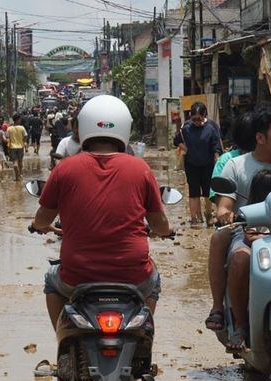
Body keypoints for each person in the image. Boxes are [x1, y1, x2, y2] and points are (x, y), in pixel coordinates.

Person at [30, 95, 173, 329]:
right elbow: (159, 225)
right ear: (125, 128)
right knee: (154, 280)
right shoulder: (140, 169)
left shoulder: (65, 168)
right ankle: (142, 337)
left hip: (76, 275)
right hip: (133, 275)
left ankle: (62, 344)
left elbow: (42, 218)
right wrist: (168, 231)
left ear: (84, 126)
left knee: (51, 280)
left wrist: (39, 226)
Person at [210, 108, 271, 350]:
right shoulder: (235, 166)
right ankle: (241, 326)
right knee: (240, 260)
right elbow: (223, 207)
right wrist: (227, 215)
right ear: (260, 138)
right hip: (247, 232)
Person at [204, 113, 256, 333]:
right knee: (218, 238)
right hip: (238, 225)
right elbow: (219, 199)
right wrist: (228, 214)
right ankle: (218, 306)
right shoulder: (230, 162)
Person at [174, 102, 222, 226]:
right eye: (193, 118)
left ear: (204, 115)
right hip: (191, 165)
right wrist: (184, 147)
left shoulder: (211, 127)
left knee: (207, 192)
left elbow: (216, 145)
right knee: (193, 191)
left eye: (198, 119)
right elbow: (177, 140)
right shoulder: (186, 128)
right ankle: (194, 218)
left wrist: (217, 159)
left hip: (207, 165)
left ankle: (208, 214)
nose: (196, 121)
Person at [5, 114, 28, 181]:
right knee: (20, 161)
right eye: (20, 119)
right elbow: (25, 136)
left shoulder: (9, 128)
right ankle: (20, 174)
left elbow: (7, 138)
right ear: (17, 120)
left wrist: (8, 148)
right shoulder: (22, 128)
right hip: (21, 146)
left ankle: (17, 176)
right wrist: (24, 142)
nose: (20, 120)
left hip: (12, 147)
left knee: (15, 162)